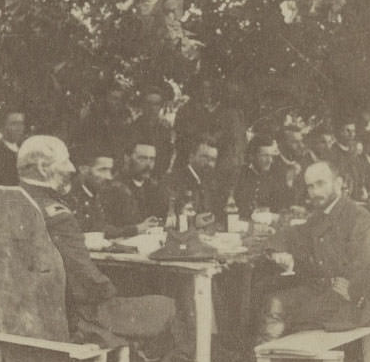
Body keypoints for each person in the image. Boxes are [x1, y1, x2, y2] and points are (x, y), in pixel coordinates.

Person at [16, 136, 175, 348]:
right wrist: (112, 290)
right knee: (168, 305)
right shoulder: (58, 215)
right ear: (44, 168)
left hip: (21, 307)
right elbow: (85, 280)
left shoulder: (9, 203)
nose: (71, 169)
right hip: (72, 315)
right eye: (65, 162)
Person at [259, 160, 370, 340]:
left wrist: (331, 294)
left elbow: (364, 269)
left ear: (338, 183)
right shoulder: (321, 215)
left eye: (321, 184)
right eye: (310, 187)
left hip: (357, 300)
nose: (315, 192)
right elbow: (293, 234)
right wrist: (276, 250)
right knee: (271, 300)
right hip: (330, 292)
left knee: (284, 311)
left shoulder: (358, 217)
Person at [233, 133, 292, 219]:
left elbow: (281, 208)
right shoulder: (240, 175)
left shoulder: (275, 177)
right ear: (252, 156)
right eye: (265, 156)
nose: (269, 160)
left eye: (271, 156)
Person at [166, 136, 221, 224]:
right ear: (191, 157)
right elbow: (166, 215)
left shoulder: (208, 183)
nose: (209, 163)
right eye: (205, 157)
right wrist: (193, 221)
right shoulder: (174, 180)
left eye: (213, 160)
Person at [125, 86, 174, 177]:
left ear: (161, 106)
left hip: (157, 176)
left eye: (156, 104)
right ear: (143, 105)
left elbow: (167, 156)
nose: (152, 108)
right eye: (149, 103)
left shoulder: (164, 130)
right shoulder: (133, 128)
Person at [68, 146, 116, 233]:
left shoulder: (96, 192)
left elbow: (102, 227)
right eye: (103, 170)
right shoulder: (71, 197)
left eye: (110, 170)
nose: (109, 177)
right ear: (83, 170)